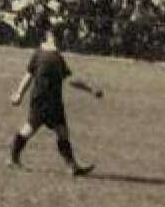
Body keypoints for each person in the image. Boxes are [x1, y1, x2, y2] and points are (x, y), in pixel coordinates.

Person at [8, 23, 99, 176]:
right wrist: (90, 89)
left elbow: (29, 76)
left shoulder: (43, 54)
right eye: (63, 36)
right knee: (30, 129)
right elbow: (70, 80)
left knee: (60, 132)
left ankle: (73, 167)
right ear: (51, 35)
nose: (63, 39)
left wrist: (19, 94)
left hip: (51, 101)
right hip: (45, 101)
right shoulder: (52, 56)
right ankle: (13, 159)